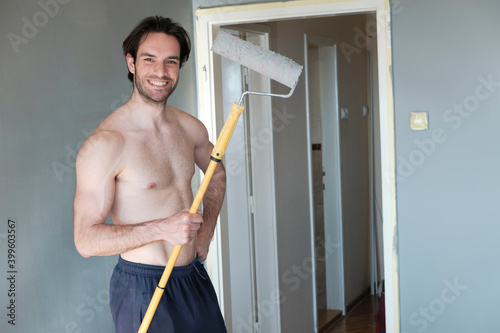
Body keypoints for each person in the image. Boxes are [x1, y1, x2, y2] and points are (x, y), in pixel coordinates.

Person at [73, 16, 227, 333]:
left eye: (171, 62)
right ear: (131, 63)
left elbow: (216, 174)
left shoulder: (190, 128)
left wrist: (207, 227)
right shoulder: (106, 144)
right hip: (143, 285)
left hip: (193, 276)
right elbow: (85, 240)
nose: (160, 72)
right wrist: (162, 228)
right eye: (149, 60)